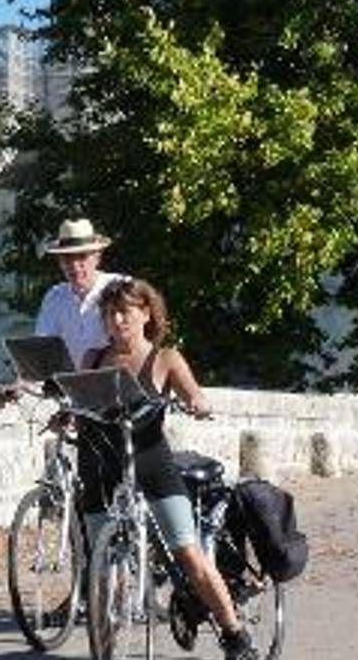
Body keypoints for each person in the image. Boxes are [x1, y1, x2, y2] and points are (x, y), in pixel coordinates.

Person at [82, 277, 257, 660]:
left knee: (189, 554)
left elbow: (194, 394)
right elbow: (80, 402)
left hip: (152, 466)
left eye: (124, 312)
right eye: (108, 314)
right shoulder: (93, 359)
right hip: (104, 467)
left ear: (146, 314)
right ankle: (106, 644)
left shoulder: (165, 359)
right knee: (102, 563)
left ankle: (234, 633)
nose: (116, 320)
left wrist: (197, 404)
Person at [0, 217, 126, 405]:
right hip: (77, 398)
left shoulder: (120, 288)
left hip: (120, 393)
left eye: (82, 257)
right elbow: (42, 355)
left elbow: (140, 341)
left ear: (97, 257)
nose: (74, 265)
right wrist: (20, 385)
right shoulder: (55, 297)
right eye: (67, 259)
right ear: (59, 262)